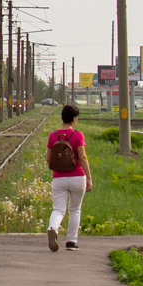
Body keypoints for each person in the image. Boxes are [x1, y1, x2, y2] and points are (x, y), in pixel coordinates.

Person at [46, 103, 91, 252]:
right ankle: (71, 241)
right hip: (77, 176)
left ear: (62, 118)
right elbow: (83, 158)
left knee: (58, 209)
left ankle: (53, 228)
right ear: (74, 119)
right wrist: (89, 178)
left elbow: (49, 159)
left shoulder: (53, 136)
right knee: (75, 210)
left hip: (59, 178)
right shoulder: (78, 135)